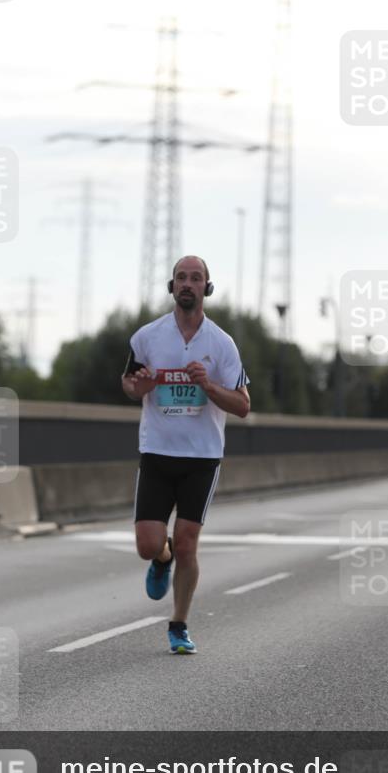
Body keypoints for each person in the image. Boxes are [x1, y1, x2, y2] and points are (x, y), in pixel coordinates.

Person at [122, 255, 250, 653]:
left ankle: (179, 624)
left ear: (207, 288)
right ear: (171, 286)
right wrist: (140, 386)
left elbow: (243, 405)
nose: (188, 284)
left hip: (202, 456)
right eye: (182, 278)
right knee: (148, 542)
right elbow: (129, 384)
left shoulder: (221, 343)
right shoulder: (148, 337)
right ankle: (162, 559)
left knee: (189, 542)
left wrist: (209, 387)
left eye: (196, 278)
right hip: (158, 451)